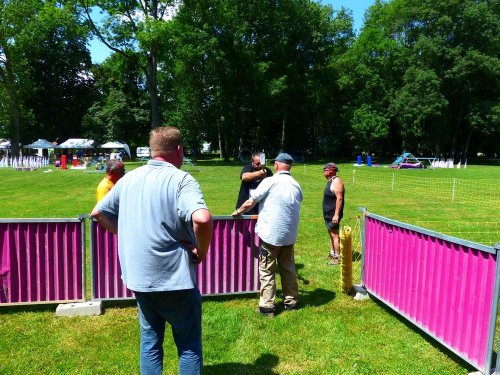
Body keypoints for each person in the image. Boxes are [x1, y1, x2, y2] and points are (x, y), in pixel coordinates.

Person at [91, 126, 213, 375]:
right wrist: (201, 251)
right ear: (179, 150)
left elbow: (98, 213)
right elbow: (202, 218)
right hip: (175, 279)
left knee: (150, 343)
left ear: (153, 150)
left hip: (140, 278)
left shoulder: (128, 179)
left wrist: (122, 231)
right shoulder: (181, 179)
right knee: (188, 345)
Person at [232, 152, 302, 318]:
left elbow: (251, 200)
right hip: (289, 236)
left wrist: (238, 211)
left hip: (271, 235)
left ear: (276, 165)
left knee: (267, 271)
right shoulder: (296, 184)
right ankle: (291, 302)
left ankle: (267, 307)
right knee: (288, 269)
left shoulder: (270, 181)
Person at [322, 162, 345, 265]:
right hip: (328, 213)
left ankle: (337, 258)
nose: (323, 171)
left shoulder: (337, 181)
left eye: (325, 170)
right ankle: (332, 254)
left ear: (331, 170)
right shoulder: (330, 181)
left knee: (335, 236)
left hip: (333, 215)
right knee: (331, 234)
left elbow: (339, 198)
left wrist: (336, 214)